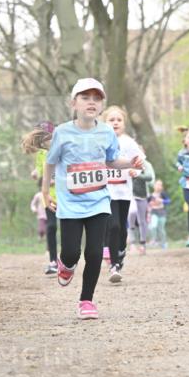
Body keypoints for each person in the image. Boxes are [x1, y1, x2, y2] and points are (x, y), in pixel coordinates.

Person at [42, 78, 143, 320]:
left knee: (96, 253)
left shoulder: (107, 132)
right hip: (70, 204)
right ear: (73, 103)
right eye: (85, 98)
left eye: (96, 99)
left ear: (101, 105)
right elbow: (50, 163)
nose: (91, 102)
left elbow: (111, 160)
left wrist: (129, 163)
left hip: (99, 202)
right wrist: (46, 192)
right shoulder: (63, 132)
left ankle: (86, 300)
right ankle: (66, 265)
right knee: (70, 252)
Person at [101, 105, 142, 283]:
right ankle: (114, 265)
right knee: (113, 226)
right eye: (111, 120)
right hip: (106, 192)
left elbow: (140, 163)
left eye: (119, 120)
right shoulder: (100, 140)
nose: (115, 123)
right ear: (104, 123)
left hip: (124, 191)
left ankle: (121, 252)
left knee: (122, 229)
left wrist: (136, 171)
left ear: (124, 124)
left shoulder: (129, 142)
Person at [22, 121, 58, 275]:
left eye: (47, 137)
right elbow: (39, 167)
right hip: (48, 195)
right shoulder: (41, 153)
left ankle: (70, 258)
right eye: (42, 140)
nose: (45, 142)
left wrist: (54, 180)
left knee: (71, 227)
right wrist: (36, 173)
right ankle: (53, 261)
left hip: (66, 195)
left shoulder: (62, 150)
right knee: (51, 227)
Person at [128, 149, 154, 254]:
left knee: (142, 220)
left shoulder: (145, 164)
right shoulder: (127, 163)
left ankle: (143, 244)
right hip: (129, 195)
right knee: (131, 215)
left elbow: (149, 177)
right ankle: (132, 243)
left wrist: (137, 175)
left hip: (142, 195)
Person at [148, 179, 171, 248]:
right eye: (157, 184)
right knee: (153, 226)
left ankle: (163, 243)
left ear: (162, 187)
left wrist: (162, 200)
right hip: (153, 213)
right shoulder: (151, 195)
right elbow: (147, 203)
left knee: (161, 229)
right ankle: (153, 240)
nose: (158, 186)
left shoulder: (163, 194)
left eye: (160, 185)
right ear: (154, 186)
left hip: (162, 213)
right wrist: (150, 204)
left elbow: (168, 201)